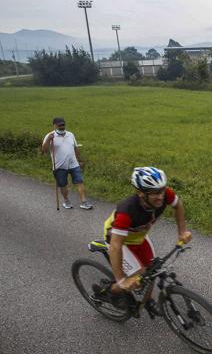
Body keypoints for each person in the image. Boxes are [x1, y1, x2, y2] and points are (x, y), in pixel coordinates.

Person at [93, 167, 192, 313]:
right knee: (137, 277)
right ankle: (111, 292)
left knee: (151, 270)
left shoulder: (165, 195)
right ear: (140, 193)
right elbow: (115, 246)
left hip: (139, 238)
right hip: (120, 242)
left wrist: (182, 232)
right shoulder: (126, 212)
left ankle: (147, 301)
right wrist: (122, 280)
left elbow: (178, 205)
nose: (160, 197)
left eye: (162, 190)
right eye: (154, 193)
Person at [41, 117, 93, 210]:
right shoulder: (50, 136)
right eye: (60, 125)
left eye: (63, 124)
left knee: (79, 182)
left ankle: (84, 202)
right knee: (63, 185)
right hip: (59, 166)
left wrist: (79, 160)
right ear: (55, 125)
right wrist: (49, 139)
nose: (62, 126)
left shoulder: (70, 134)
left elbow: (76, 148)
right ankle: (66, 200)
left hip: (73, 164)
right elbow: (44, 150)